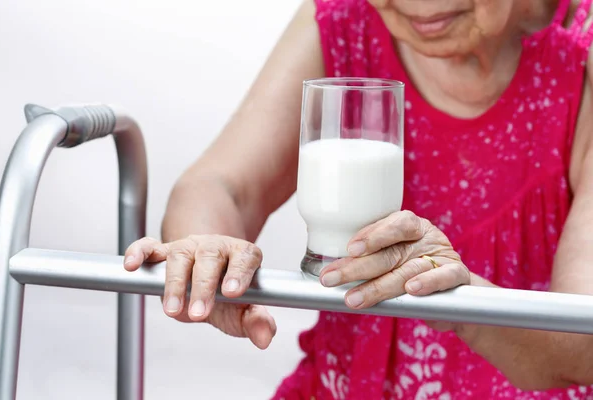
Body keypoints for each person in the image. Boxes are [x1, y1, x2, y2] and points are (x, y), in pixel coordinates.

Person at [123, 0, 593, 398]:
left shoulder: (581, 47)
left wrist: (454, 292)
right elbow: (223, 186)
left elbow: (582, 346)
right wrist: (208, 246)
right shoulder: (346, 19)